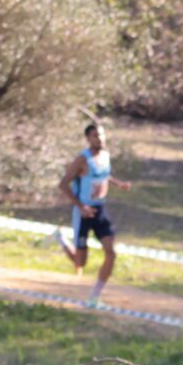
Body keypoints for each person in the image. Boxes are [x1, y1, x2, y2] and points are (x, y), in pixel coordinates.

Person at [54, 123, 131, 302]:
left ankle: (95, 294)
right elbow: (63, 184)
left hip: (100, 211)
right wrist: (81, 206)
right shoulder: (82, 159)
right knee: (80, 264)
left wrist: (119, 184)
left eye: (102, 135)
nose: (100, 139)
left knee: (111, 252)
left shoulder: (105, 156)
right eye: (96, 136)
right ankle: (61, 239)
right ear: (88, 138)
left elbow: (103, 175)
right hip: (83, 214)